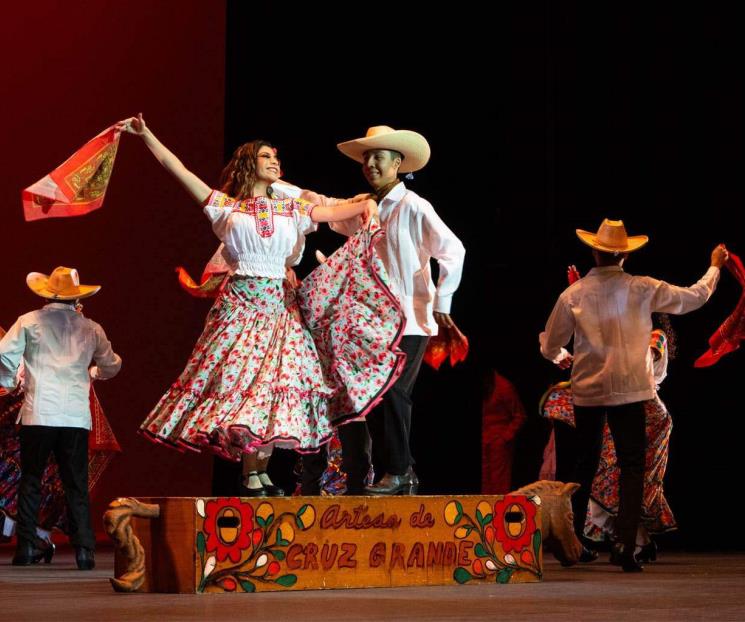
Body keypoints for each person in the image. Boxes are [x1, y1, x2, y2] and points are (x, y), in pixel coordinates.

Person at [119, 115, 403, 497]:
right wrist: (148, 134)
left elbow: (335, 211)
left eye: (276, 157)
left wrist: (367, 204)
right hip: (240, 307)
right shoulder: (225, 208)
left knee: (274, 389)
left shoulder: (291, 209)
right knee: (244, 386)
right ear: (248, 163)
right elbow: (179, 169)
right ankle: (252, 473)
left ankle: (260, 471)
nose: (274, 161)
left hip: (280, 309)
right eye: (266, 156)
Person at [539, 218, 727, 572]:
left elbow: (550, 343)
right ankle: (625, 544)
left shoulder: (574, 293)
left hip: (589, 392)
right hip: (630, 391)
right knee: (631, 466)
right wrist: (714, 267)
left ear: (595, 253)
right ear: (623, 257)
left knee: (582, 465)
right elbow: (695, 297)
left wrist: (562, 357)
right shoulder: (642, 288)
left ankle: (573, 541)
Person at [302, 126, 466, 495]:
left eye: (380, 157)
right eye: (366, 158)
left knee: (390, 391)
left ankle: (400, 471)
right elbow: (327, 208)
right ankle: (397, 473)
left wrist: (443, 302)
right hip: (373, 323)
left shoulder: (413, 206)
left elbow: (453, 251)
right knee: (375, 396)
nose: (371, 164)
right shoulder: (365, 207)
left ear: (398, 163)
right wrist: (280, 191)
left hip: (409, 317)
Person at [0, 267, 121, 569]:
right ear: (75, 297)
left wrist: (11, 380)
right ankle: (85, 552)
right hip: (74, 417)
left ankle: (26, 549)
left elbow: (4, 356)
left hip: (38, 413)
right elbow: (112, 364)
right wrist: (93, 373)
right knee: (75, 485)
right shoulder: (91, 327)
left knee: (31, 481)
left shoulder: (29, 321)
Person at [541, 314, 678, 564]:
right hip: (623, 408)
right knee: (608, 480)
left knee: (630, 480)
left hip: (649, 416)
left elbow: (647, 357)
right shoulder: (626, 338)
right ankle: (638, 542)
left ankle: (634, 543)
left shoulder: (655, 336)